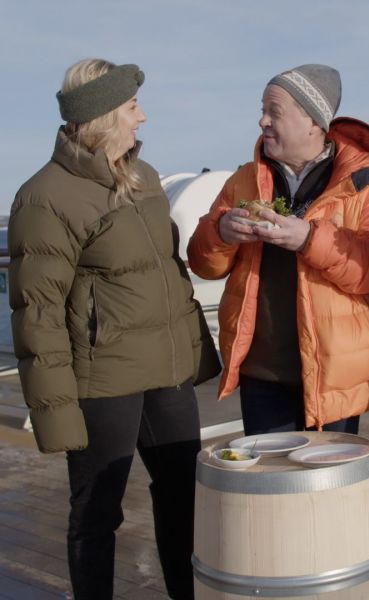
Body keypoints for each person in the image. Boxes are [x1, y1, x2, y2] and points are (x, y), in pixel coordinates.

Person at [8, 58, 218, 600]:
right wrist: (56, 416)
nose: (142, 116)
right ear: (102, 115)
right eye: (131, 107)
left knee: (184, 500)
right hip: (103, 381)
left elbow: (166, 273)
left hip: (166, 372)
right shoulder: (45, 196)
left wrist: (195, 349)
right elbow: (39, 313)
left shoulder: (144, 177)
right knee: (98, 513)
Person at [187, 64, 369, 435]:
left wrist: (309, 239)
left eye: (274, 112)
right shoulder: (243, 180)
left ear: (314, 123)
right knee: (270, 487)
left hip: (333, 374)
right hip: (262, 373)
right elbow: (203, 265)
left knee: (328, 488)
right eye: (262, 110)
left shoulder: (366, 186)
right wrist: (220, 231)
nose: (262, 122)